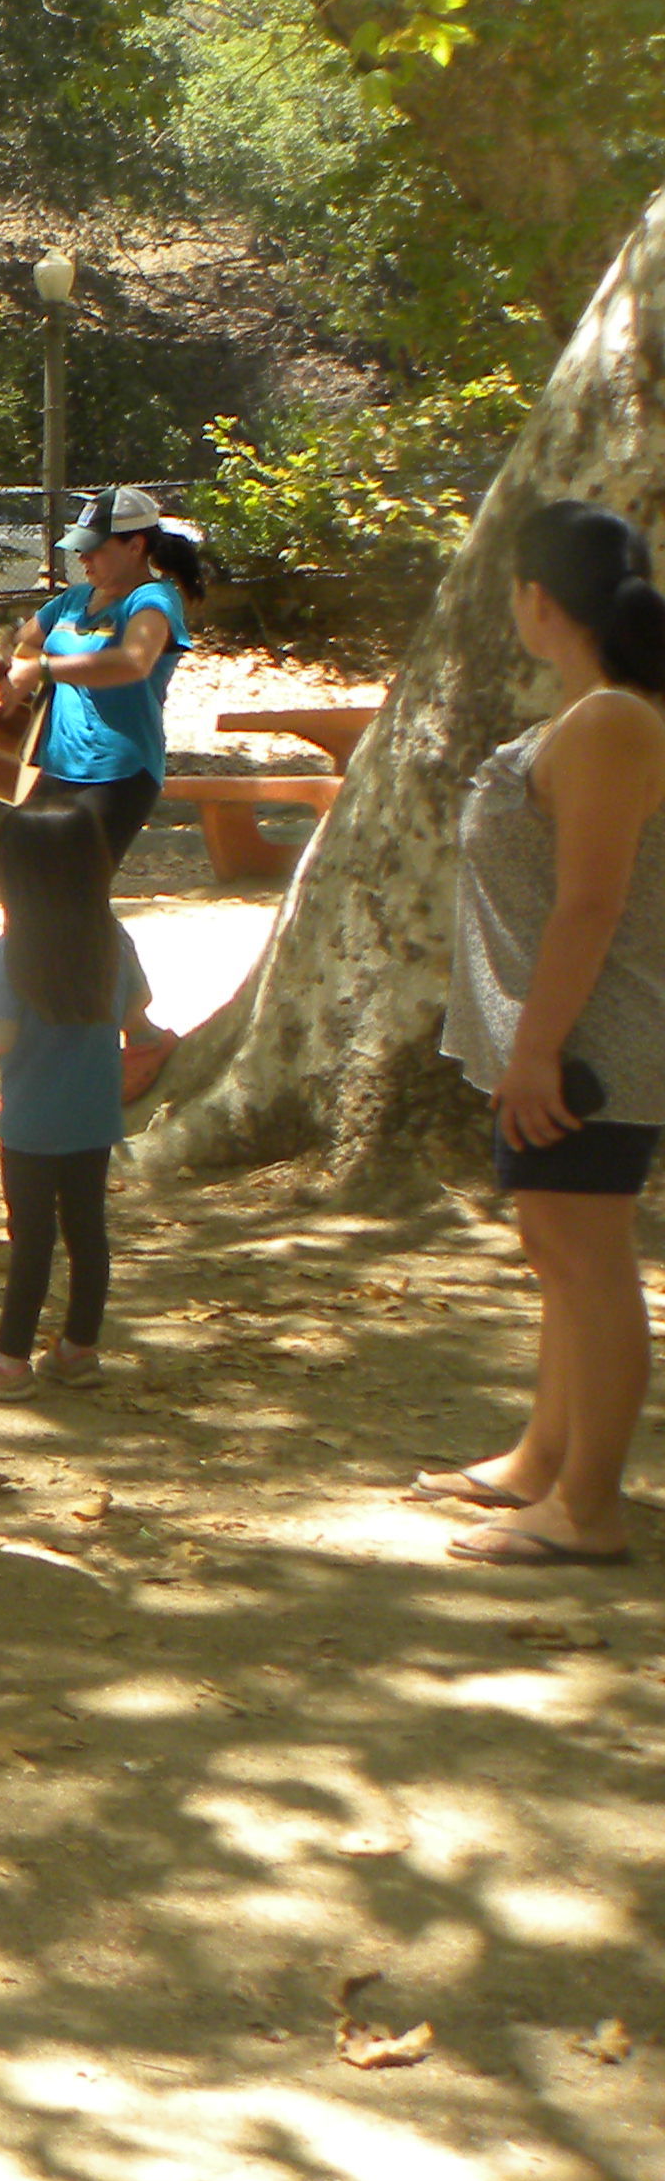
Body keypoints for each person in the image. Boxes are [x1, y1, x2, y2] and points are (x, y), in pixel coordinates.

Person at [428, 497, 665, 1567]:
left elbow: (591, 904)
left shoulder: (612, 720)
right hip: (560, 1040)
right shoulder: (586, 717)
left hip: (589, 1046)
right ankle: (542, 1463)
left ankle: (588, 1510)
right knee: (557, 1252)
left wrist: (535, 1050)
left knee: (586, 1258)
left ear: (535, 599)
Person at [0, 798, 148, 1399]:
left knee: (31, 1237)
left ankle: (8, 1361)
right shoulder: (114, 939)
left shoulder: (11, 952)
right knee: (88, 1231)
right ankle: (78, 1350)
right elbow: (138, 1015)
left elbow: (0, 1040)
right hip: (95, 1114)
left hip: (32, 1120)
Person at [0, 485, 205, 869]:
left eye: (94, 548)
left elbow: (134, 662)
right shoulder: (71, 601)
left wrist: (42, 669)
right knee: (23, 870)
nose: (82, 557)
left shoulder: (152, 600)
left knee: (75, 882)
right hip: (57, 765)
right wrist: (6, 672)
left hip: (118, 772)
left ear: (135, 547)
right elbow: (20, 645)